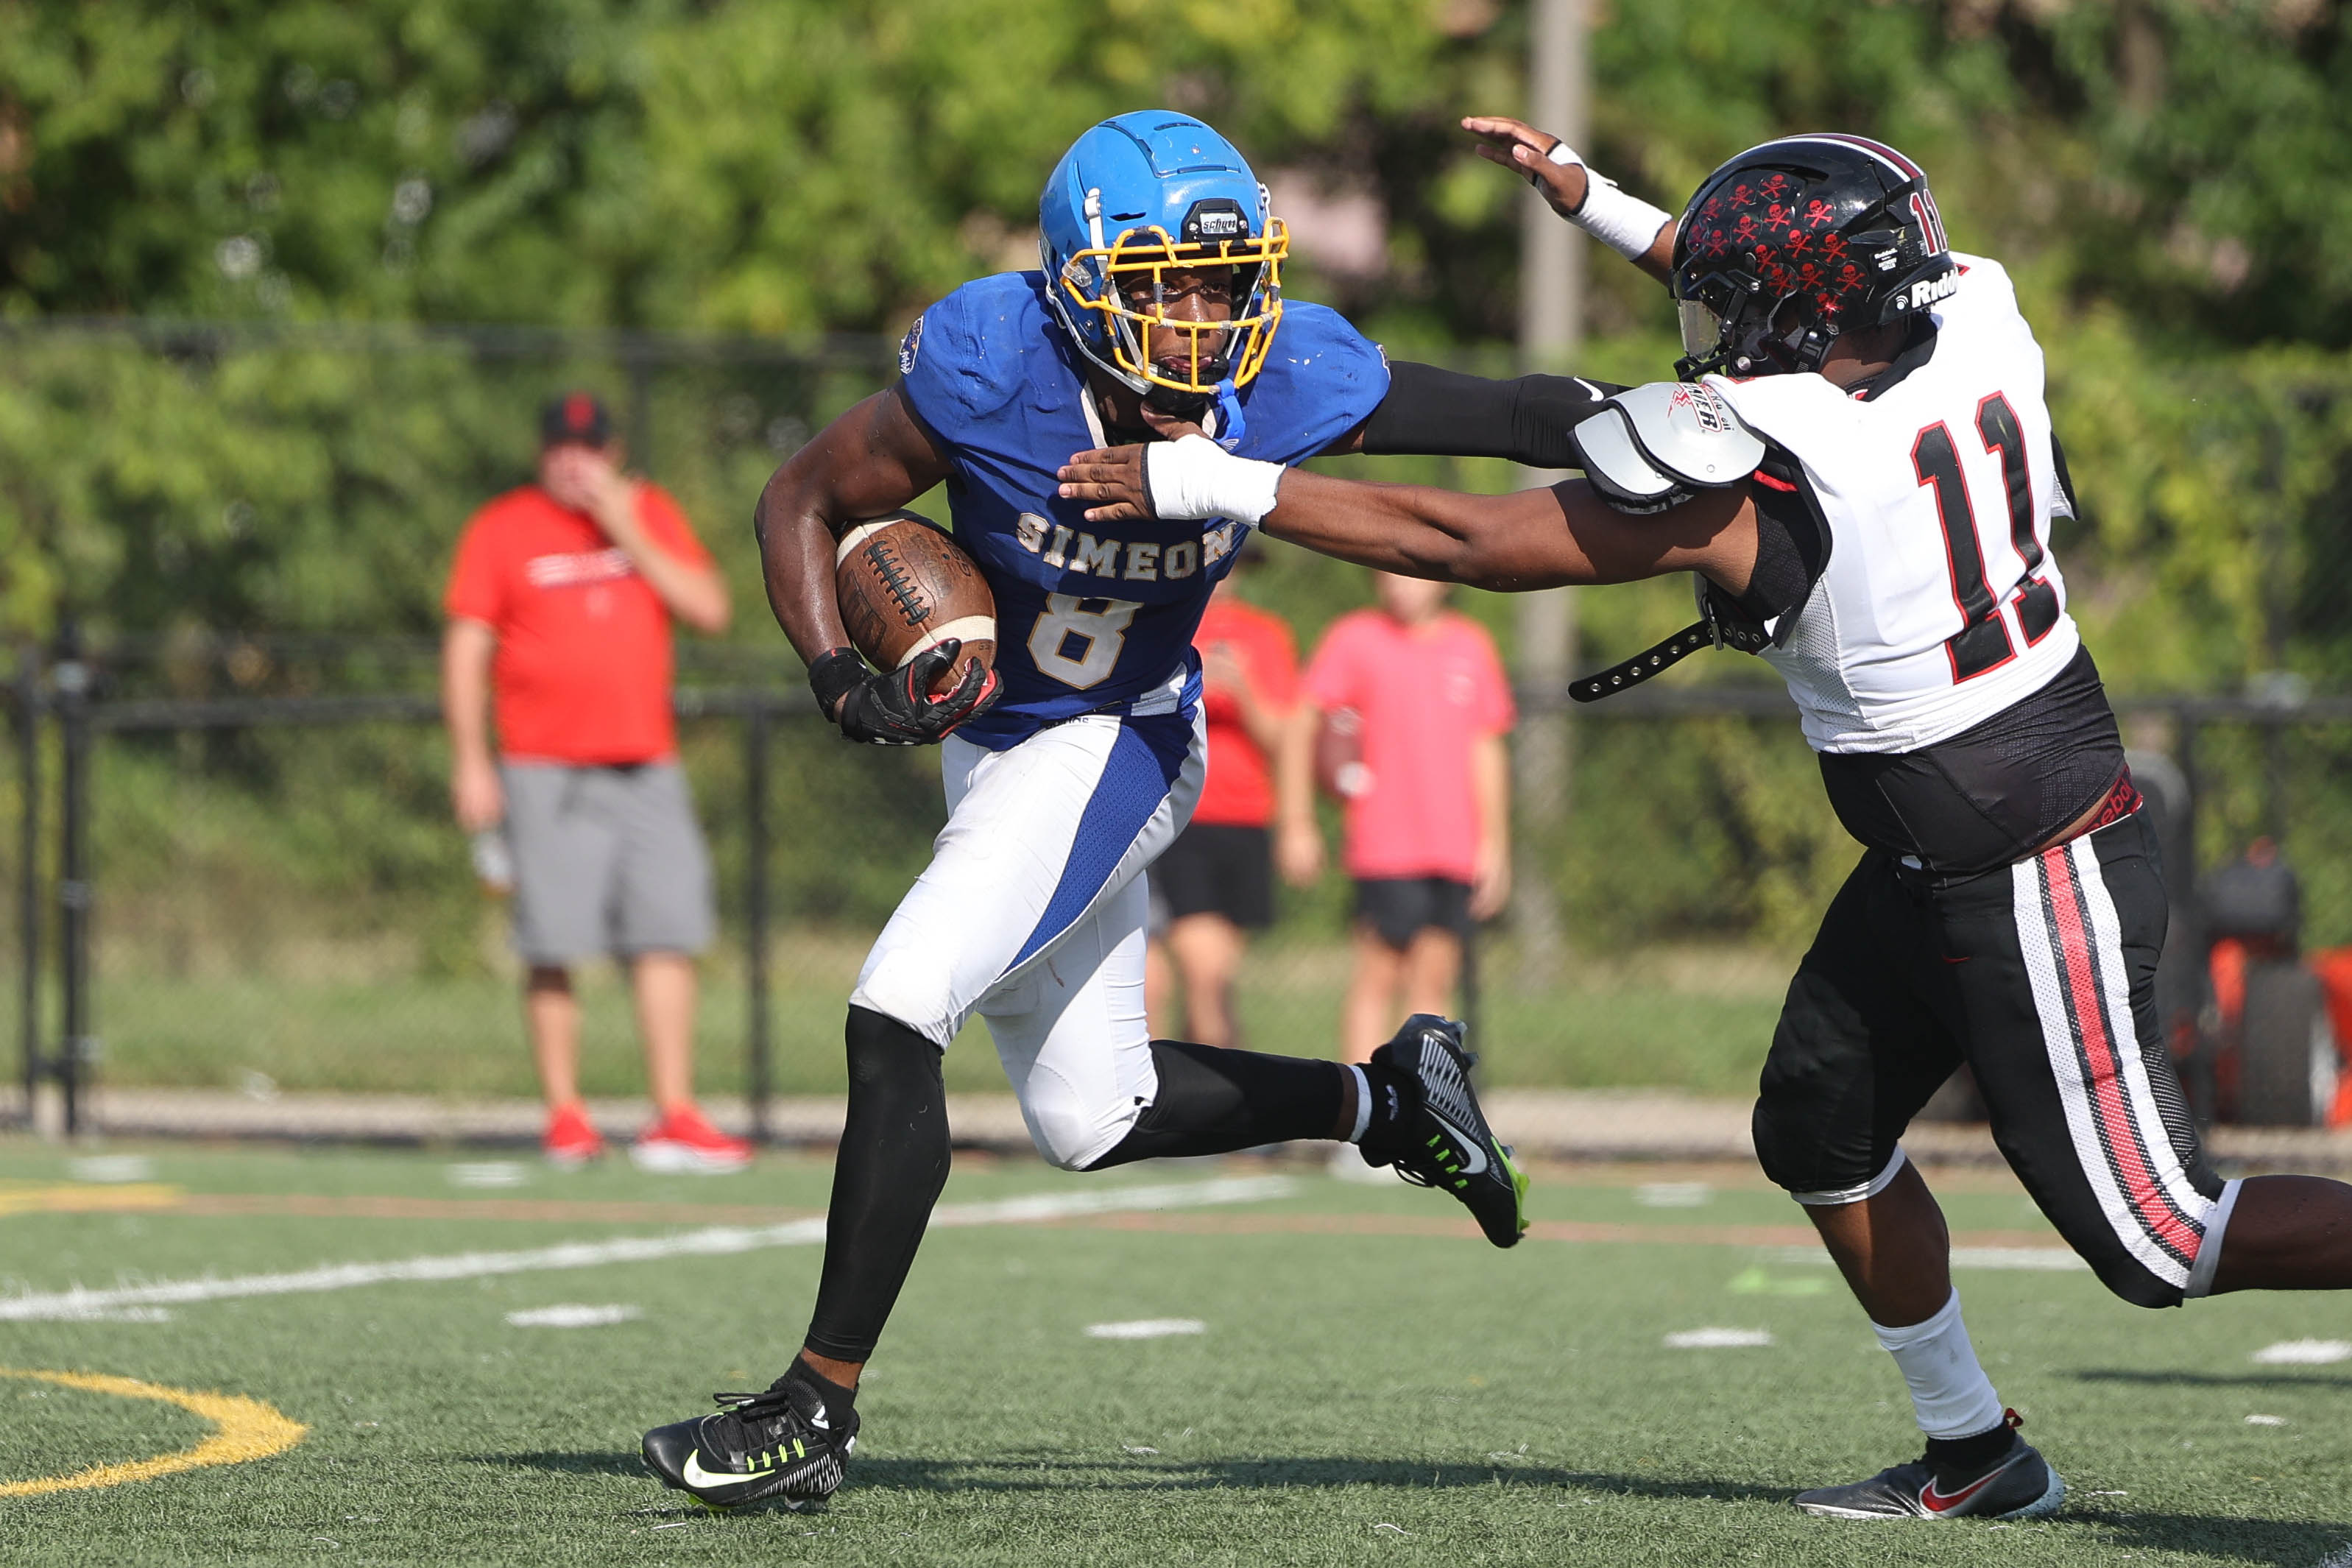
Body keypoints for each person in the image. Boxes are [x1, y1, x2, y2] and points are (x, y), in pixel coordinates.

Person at [1060, 118, 2352, 1522]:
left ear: (1805, 314)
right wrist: (1600, 204)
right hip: (1941, 847)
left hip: (2036, 862)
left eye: (1736, 311)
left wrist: (1210, 479)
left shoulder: (1773, 466)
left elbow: (1470, 544)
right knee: (1819, 1132)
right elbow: (1798, 270)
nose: (1715, 334)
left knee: (2161, 1241)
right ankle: (1977, 1452)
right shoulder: (1970, 303)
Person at [638, 109, 1626, 1513]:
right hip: (1000, 744)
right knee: (1097, 1114)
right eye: (1164, 282)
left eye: (1223, 283)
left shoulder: (1289, 374)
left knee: (897, 1005)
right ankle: (1390, 1097)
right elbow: (799, 497)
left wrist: (1700, 427)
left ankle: (814, 1406)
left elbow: (1515, 413)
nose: (1202, 318)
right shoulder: (990, 362)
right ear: (1081, 281)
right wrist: (835, 677)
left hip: (1121, 738)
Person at [442, 392, 749, 1174]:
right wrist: (472, 761)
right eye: (560, 447)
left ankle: (674, 1115)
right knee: (553, 942)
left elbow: (710, 608)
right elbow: (467, 649)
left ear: (611, 452)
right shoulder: (502, 529)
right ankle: (567, 1118)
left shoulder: (648, 513)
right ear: (543, 453)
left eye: (588, 446)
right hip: (543, 766)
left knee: (667, 934)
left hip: (646, 762)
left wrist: (627, 529)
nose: (574, 460)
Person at [1288, 571, 1513, 1067]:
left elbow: (1486, 747)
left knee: (1434, 980)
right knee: (1378, 975)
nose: (1400, 587)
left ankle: (1425, 1111)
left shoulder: (1470, 645)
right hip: (1384, 842)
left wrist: (1494, 845)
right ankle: (1362, 1115)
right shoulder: (1355, 638)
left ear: (1444, 582)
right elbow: (1304, 721)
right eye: (1389, 576)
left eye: (1413, 576)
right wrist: (1297, 820)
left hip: (1452, 845)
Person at [1143, 548, 1299, 1048]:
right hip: (1178, 817)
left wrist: (1244, 692)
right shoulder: (1162, 631)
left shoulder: (1265, 635)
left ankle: (1202, 1110)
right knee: (1198, 977)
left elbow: (1285, 737)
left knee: (1213, 983)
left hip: (1243, 821)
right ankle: (1209, 1110)